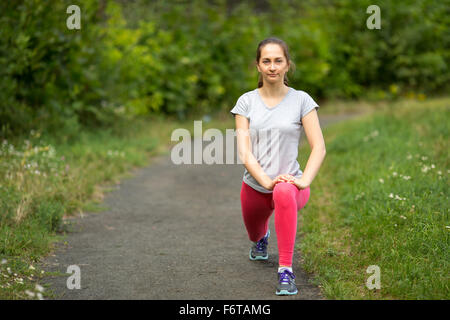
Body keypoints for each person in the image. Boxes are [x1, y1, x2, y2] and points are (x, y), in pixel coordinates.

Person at [230, 37, 326, 295]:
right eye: (266, 61)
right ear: (258, 66)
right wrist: (265, 181)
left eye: (278, 61)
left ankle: (286, 271)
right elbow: (245, 152)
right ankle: (261, 239)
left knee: (283, 190)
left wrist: (303, 180)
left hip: (291, 184)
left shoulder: (302, 100)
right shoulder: (246, 102)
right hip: (255, 186)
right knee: (254, 232)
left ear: (287, 65)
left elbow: (319, 146)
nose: (272, 66)